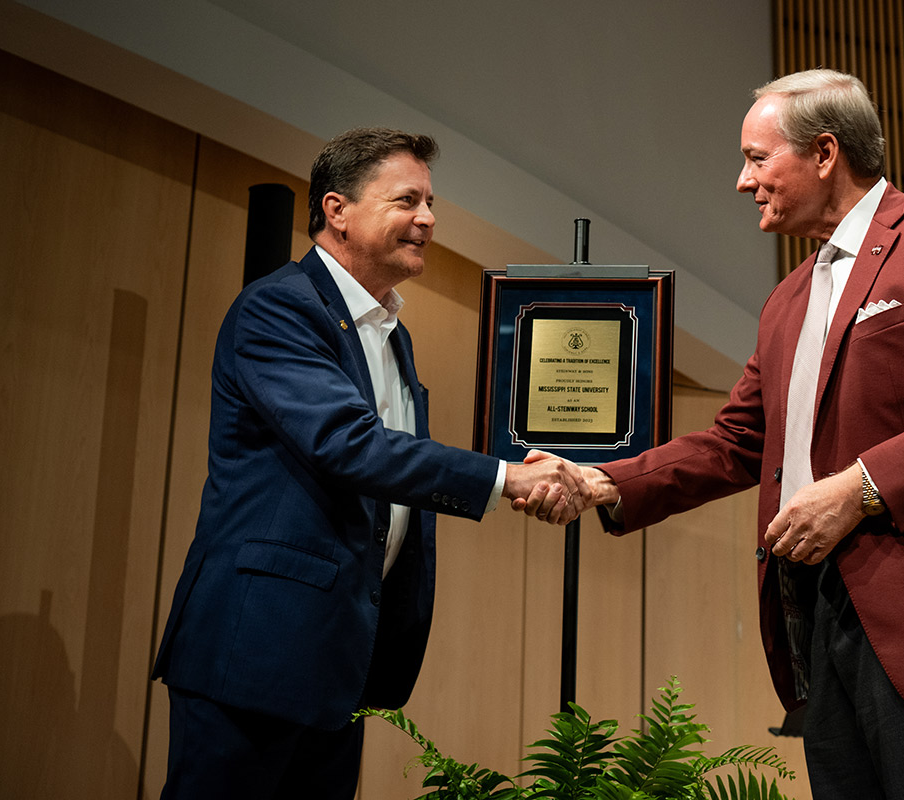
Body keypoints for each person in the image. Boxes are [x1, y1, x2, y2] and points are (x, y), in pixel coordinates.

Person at [547, 70, 904, 798]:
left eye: (758, 158)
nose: (741, 180)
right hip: (816, 614)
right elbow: (735, 443)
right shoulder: (788, 299)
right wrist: (608, 480)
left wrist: (863, 488)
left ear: (824, 152)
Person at [152, 127, 590, 799]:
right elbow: (349, 445)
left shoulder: (392, 334)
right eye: (407, 200)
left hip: (334, 668)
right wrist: (507, 477)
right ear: (337, 210)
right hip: (253, 658)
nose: (429, 220)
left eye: (431, 202)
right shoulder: (279, 308)